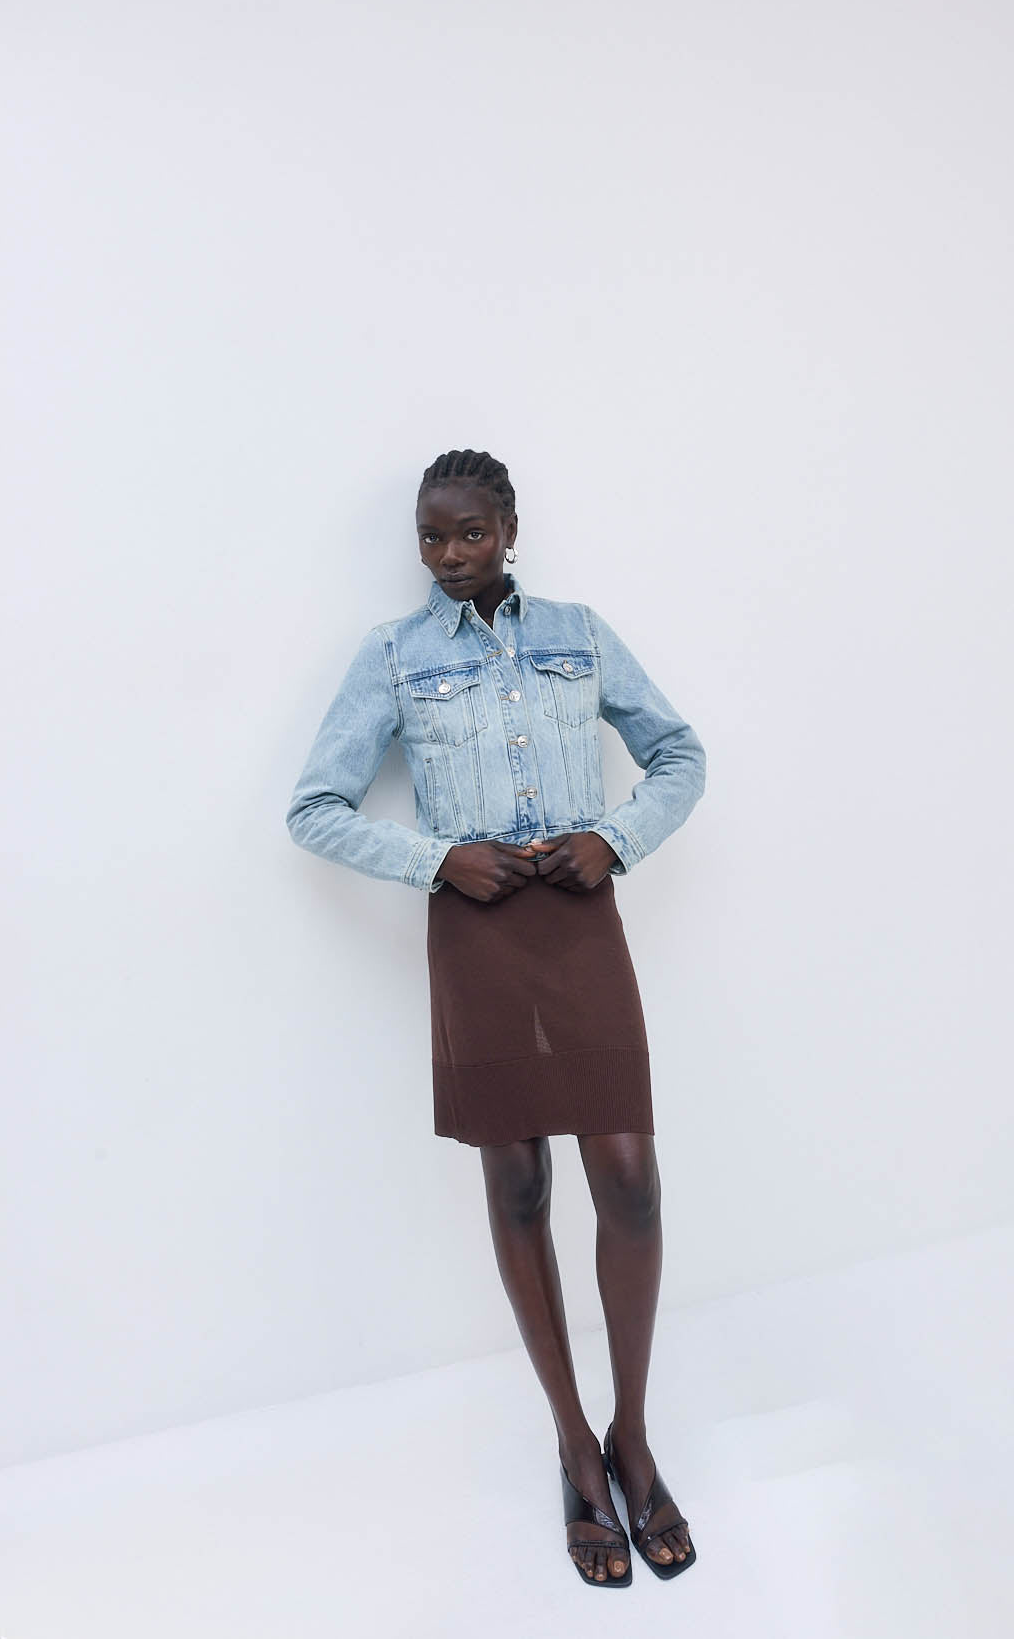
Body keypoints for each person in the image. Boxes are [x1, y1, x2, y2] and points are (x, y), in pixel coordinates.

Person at [286, 449, 706, 1586]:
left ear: (509, 528)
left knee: (629, 1178)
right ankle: (575, 1448)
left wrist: (613, 836)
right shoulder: (393, 655)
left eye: (469, 532)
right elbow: (313, 807)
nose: (450, 554)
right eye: (431, 536)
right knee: (518, 1182)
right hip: (473, 935)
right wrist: (437, 858)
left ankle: (632, 1433)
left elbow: (679, 754)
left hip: (581, 921)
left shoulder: (577, 630)